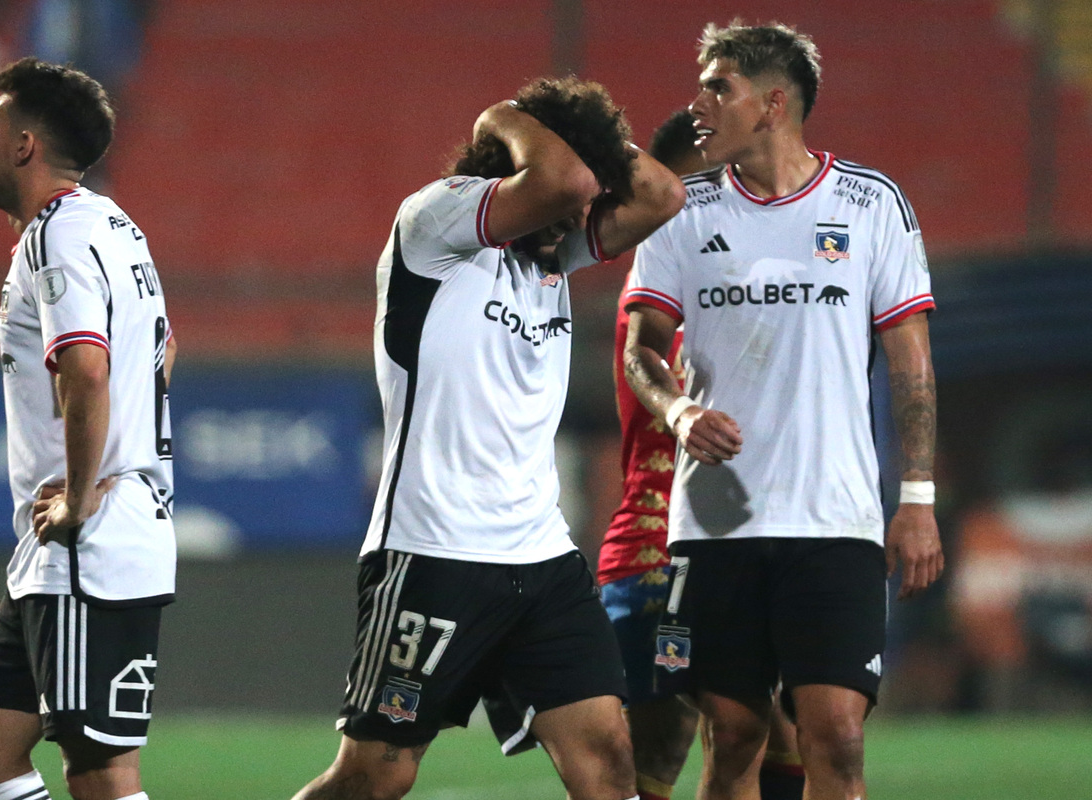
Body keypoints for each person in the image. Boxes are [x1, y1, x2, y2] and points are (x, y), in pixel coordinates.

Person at [292, 77, 685, 800]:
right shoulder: (435, 225)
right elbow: (563, 178)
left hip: (540, 556)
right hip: (433, 550)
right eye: (570, 200)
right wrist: (508, 116)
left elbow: (662, 195)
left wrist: (593, 142)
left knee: (609, 758)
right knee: (376, 776)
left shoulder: (549, 256)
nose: (576, 217)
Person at [623, 21, 943, 800]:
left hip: (833, 521)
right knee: (731, 736)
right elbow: (640, 350)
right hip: (718, 522)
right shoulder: (681, 212)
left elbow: (911, 362)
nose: (699, 103)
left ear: (772, 104)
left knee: (835, 733)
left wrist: (918, 499)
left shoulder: (871, 204)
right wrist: (675, 413)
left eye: (718, 87)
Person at [0, 57, 176, 800]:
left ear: (24, 145)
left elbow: (84, 369)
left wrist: (83, 499)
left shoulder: (56, 235)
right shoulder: (115, 224)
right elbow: (163, 348)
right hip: (56, 551)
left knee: (101, 775)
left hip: (85, 544)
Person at [598, 108, 803, 800]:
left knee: (777, 730)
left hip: (741, 545)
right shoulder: (662, 297)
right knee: (661, 756)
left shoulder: (733, 280)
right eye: (707, 184)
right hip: (664, 557)